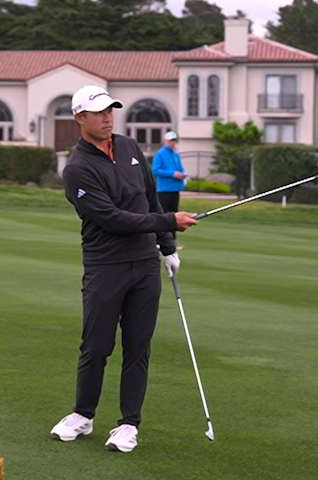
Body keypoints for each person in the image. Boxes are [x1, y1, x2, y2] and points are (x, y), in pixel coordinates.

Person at [50, 85, 198, 453]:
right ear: (79, 118)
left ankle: (129, 424)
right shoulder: (78, 169)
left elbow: (149, 198)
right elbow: (112, 218)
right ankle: (83, 415)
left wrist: (167, 247)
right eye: (99, 112)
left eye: (110, 110)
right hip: (106, 266)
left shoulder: (130, 147)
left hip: (144, 265)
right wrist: (169, 221)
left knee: (138, 346)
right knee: (96, 345)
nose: (107, 117)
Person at [151, 131, 187, 239]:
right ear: (165, 141)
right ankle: (162, 239)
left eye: (174, 140)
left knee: (174, 215)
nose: (172, 143)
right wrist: (172, 174)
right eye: (171, 140)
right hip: (164, 189)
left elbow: (180, 168)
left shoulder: (176, 154)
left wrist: (182, 174)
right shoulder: (160, 153)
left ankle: (172, 240)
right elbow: (155, 170)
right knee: (165, 215)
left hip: (175, 188)